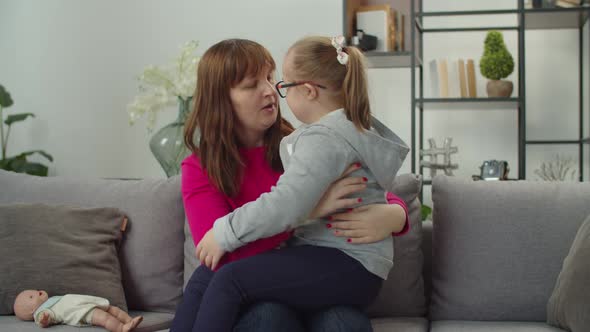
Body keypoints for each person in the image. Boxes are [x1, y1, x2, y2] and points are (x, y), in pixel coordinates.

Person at [170, 38, 409, 332]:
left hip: (325, 268)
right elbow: (220, 255)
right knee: (220, 286)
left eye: (271, 78)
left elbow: (367, 188)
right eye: (251, 85)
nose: (271, 91)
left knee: (343, 323)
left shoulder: (305, 142)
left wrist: (397, 216)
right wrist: (309, 212)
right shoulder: (200, 168)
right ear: (221, 98)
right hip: (279, 280)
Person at [13, 290, 143, 331]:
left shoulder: (50, 300)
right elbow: (44, 320)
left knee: (113, 309)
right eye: (31, 296)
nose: (37, 292)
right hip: (79, 312)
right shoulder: (42, 311)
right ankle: (121, 328)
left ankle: (130, 320)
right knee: (104, 317)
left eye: (34, 291)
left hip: (86, 302)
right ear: (32, 311)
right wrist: (43, 319)